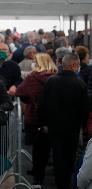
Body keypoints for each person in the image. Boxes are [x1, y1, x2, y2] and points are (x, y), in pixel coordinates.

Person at [39, 53, 89, 189]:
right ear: (74, 65)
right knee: (70, 157)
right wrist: (83, 128)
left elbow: (42, 105)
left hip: (53, 127)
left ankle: (59, 182)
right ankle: (66, 182)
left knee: (57, 156)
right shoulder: (80, 84)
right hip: (72, 129)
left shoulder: (51, 81)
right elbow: (84, 110)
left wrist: (43, 123)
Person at [16, 53, 58, 184]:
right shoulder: (56, 76)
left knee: (37, 148)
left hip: (35, 117)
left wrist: (29, 101)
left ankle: (37, 176)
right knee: (52, 147)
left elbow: (20, 91)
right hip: (54, 118)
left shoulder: (33, 77)